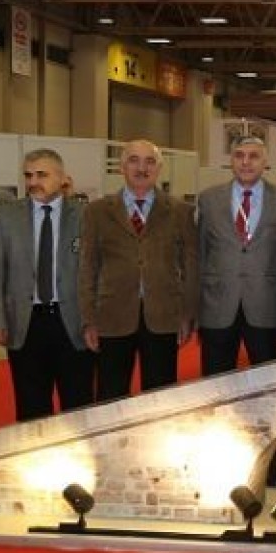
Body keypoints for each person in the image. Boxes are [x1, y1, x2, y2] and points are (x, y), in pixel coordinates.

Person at [78, 139, 198, 402]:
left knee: (160, 398)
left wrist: (187, 315)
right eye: (134, 160)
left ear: (159, 168)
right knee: (111, 396)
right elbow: (87, 267)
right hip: (112, 317)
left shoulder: (181, 212)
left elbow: (190, 267)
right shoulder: (96, 212)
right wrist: (88, 319)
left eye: (150, 161)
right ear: (121, 167)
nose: (142, 168)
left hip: (163, 317)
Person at [0, 149, 93, 421]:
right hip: (25, 326)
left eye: (41, 175)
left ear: (62, 178)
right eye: (28, 175)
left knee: (79, 406)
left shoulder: (86, 215)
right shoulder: (6, 215)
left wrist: (95, 320)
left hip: (74, 325)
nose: (33, 182)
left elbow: (98, 274)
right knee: (31, 409)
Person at [197, 136, 276, 376]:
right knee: (216, 384)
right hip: (217, 306)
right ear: (231, 161)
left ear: (265, 162)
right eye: (239, 156)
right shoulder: (208, 199)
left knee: (270, 383)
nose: (246, 162)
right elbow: (201, 253)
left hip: (267, 308)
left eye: (253, 156)